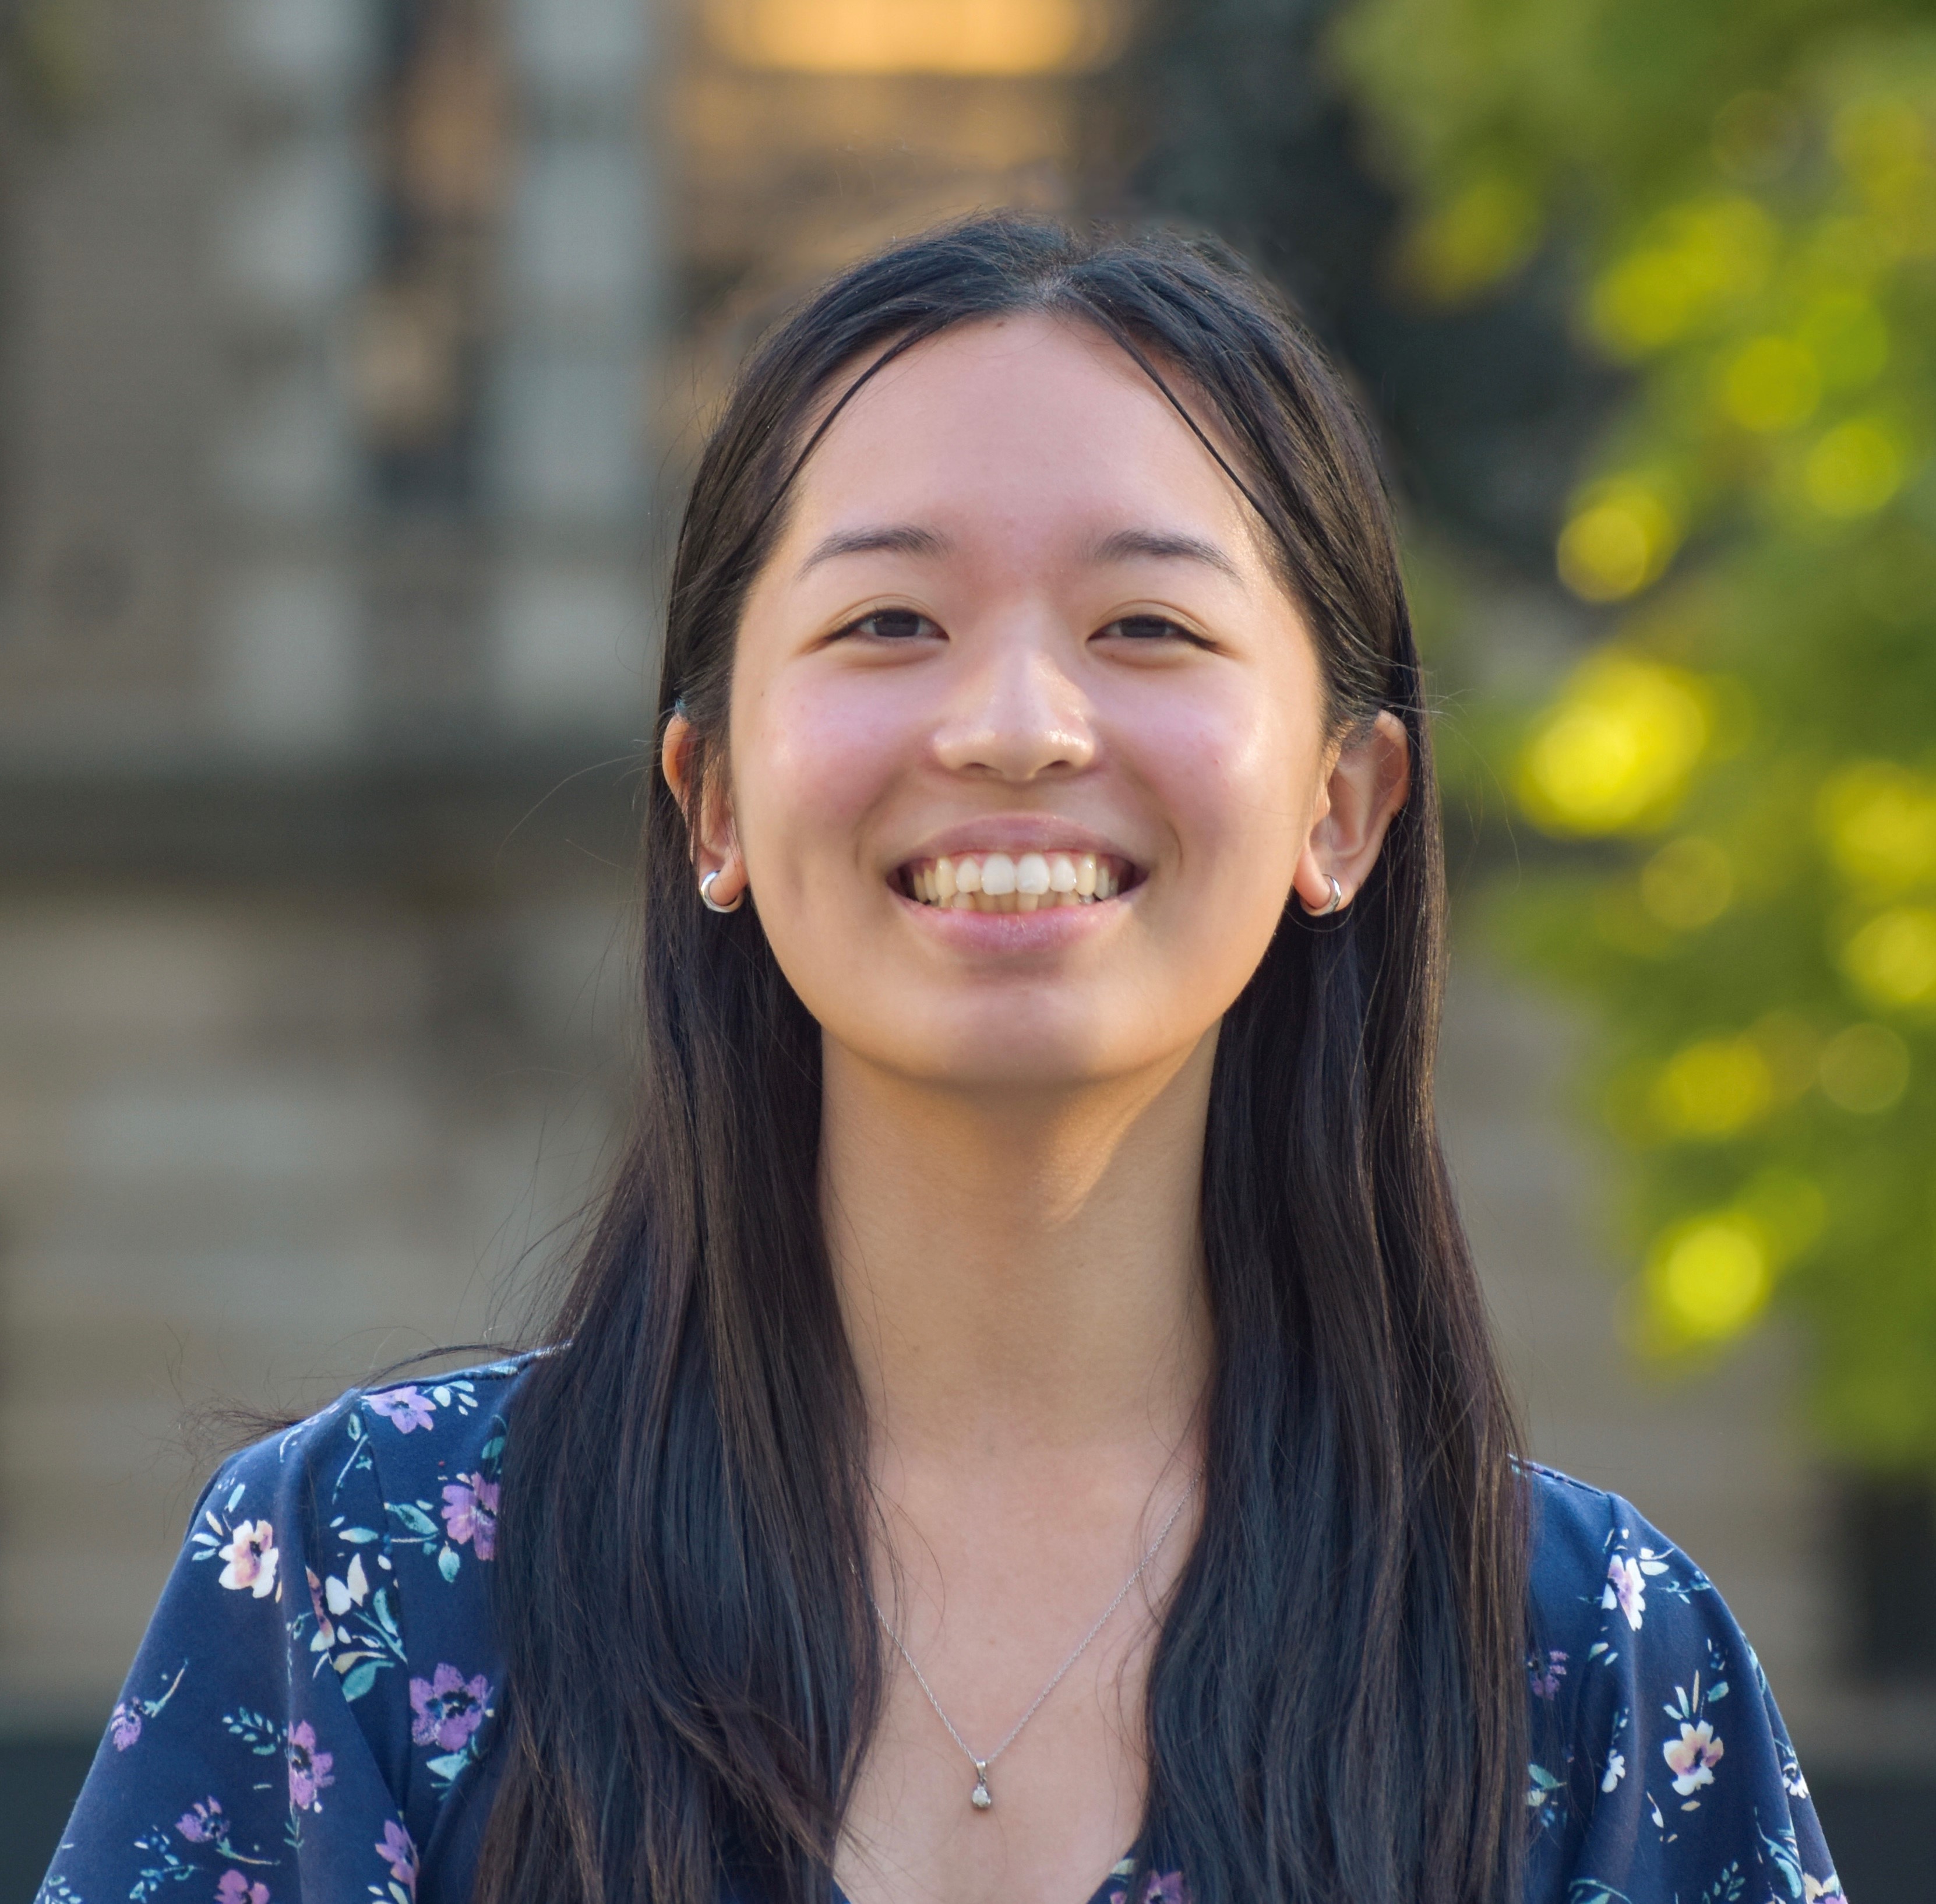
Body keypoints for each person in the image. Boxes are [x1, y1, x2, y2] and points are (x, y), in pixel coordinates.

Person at [41, 219, 1840, 1904]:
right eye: (888, 621)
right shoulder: (364, 1582)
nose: (1012, 726)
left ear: (1343, 803)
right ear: (714, 801)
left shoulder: (1589, 1670)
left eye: (1146, 624)